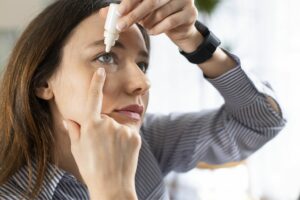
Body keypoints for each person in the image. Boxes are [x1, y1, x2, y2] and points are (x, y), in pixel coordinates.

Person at [0, 0, 286, 199]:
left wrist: (194, 40)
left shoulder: (145, 142)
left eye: (143, 65)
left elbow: (261, 121)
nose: (142, 82)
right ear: (42, 82)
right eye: (106, 56)